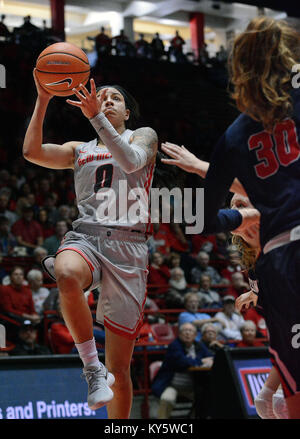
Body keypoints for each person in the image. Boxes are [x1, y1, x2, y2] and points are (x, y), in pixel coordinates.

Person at [162, 17, 300, 417]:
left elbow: (200, 221)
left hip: (284, 261)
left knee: (290, 397)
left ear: (238, 71)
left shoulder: (234, 137)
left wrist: (236, 215)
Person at [23, 71, 158, 419]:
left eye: (116, 98)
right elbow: (31, 151)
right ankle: (91, 369)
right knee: (65, 273)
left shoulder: (143, 136)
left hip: (129, 248)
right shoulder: (78, 149)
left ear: (127, 113)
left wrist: (96, 116)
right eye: (104, 96)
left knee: (122, 369)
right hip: (88, 236)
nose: (108, 100)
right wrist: (43, 99)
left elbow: (129, 161)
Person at [151, 322, 213, 419]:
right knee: (167, 399)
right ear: (179, 334)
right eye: (185, 331)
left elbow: (211, 357)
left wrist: (209, 360)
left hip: (192, 386)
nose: (187, 333)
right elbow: (182, 362)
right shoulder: (174, 346)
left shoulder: (199, 346)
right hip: (172, 385)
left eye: (190, 331)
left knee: (207, 397)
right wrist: (201, 361)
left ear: (195, 335)